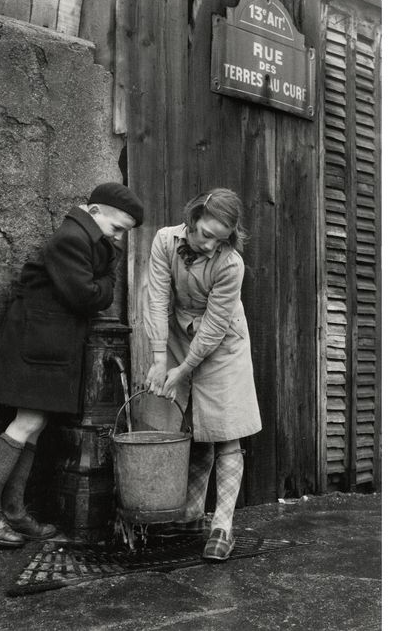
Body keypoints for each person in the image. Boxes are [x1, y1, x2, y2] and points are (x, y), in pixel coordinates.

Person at [0, 182, 144, 547]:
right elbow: (86, 296)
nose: (119, 238)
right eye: (116, 228)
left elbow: (98, 285)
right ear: (95, 212)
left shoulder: (90, 240)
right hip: (37, 342)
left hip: (49, 342)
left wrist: (103, 277)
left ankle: (13, 510)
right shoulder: (72, 239)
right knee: (27, 421)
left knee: (37, 423)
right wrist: (105, 282)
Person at [143, 188, 261, 562]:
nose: (211, 246)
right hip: (179, 336)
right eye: (206, 235)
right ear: (191, 221)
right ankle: (193, 515)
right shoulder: (165, 240)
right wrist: (160, 358)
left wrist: (183, 369)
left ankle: (222, 527)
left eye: (220, 240)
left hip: (223, 344)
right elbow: (158, 297)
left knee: (224, 431)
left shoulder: (231, 265)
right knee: (194, 428)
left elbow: (212, 327)